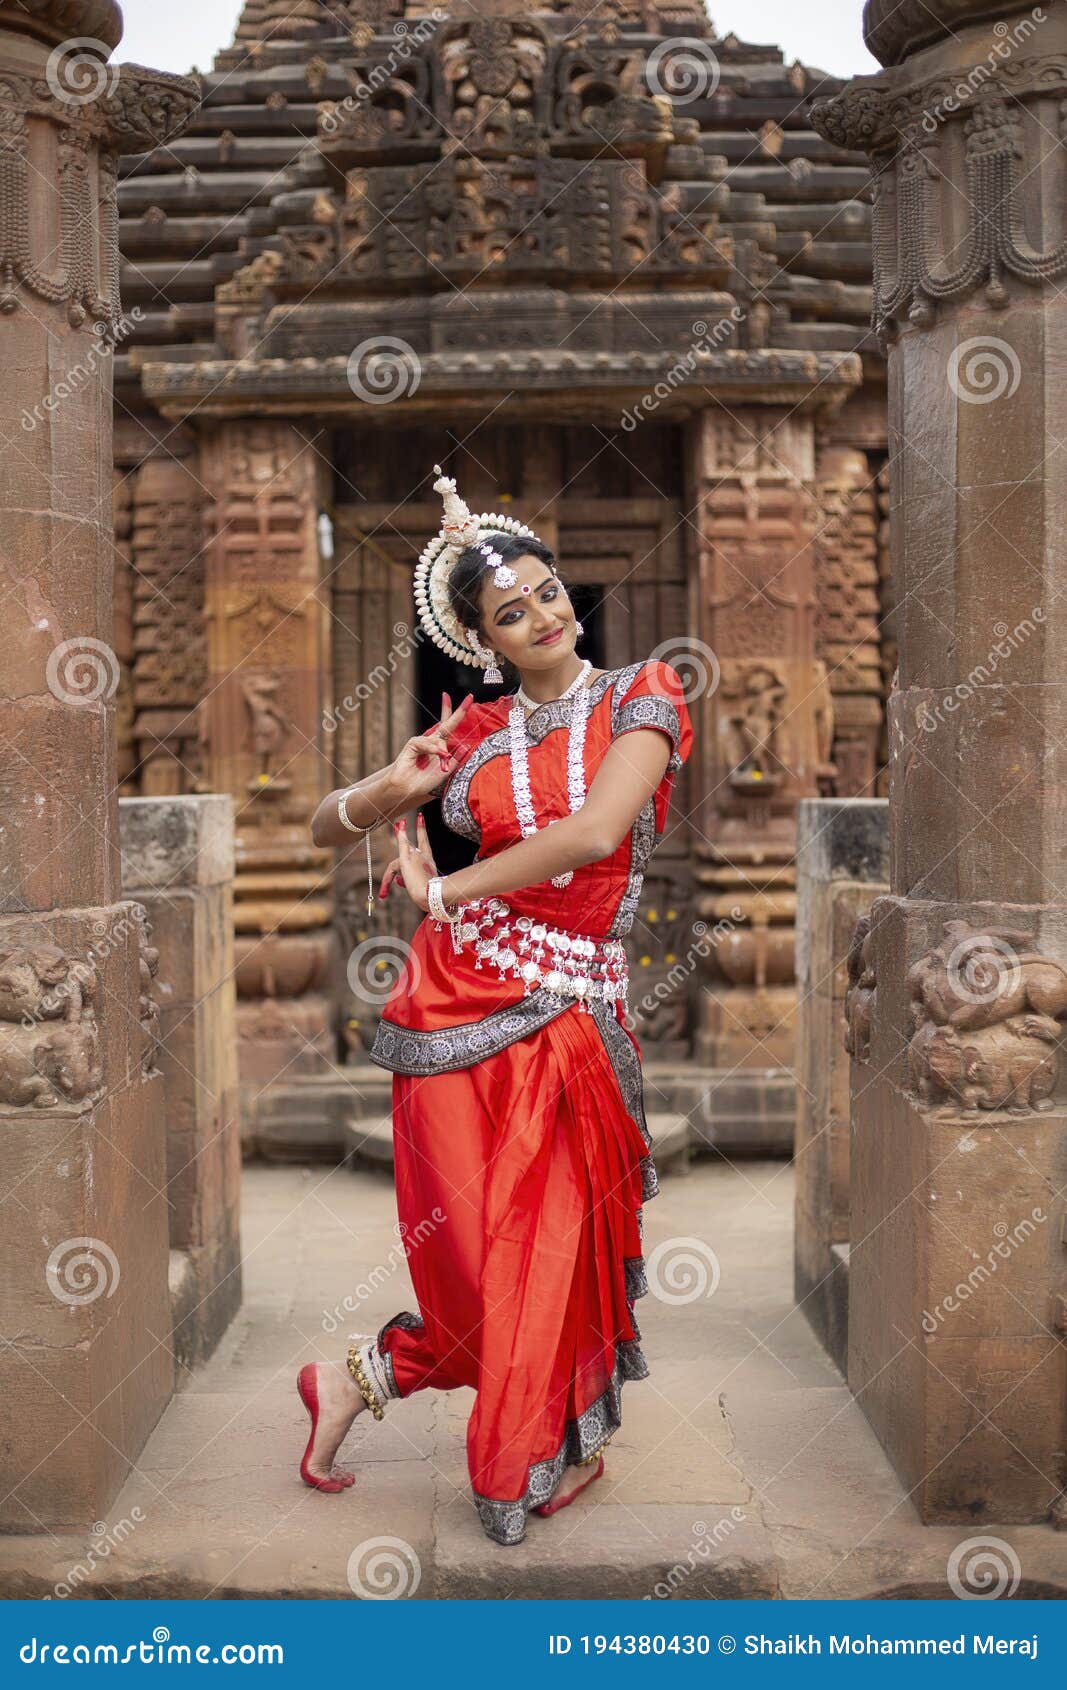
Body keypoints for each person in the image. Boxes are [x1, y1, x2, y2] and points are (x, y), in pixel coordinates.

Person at [302, 465, 694, 1546]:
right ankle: (354, 1378)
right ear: (483, 639)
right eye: (509, 611)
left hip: (570, 1001)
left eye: (547, 590)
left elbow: (590, 836)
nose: (540, 614)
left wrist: (442, 885)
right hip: (449, 1003)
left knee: (552, 1239)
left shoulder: (642, 695)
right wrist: (391, 790)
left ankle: (530, 1436)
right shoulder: (470, 731)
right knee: (475, 1256)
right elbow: (324, 822)